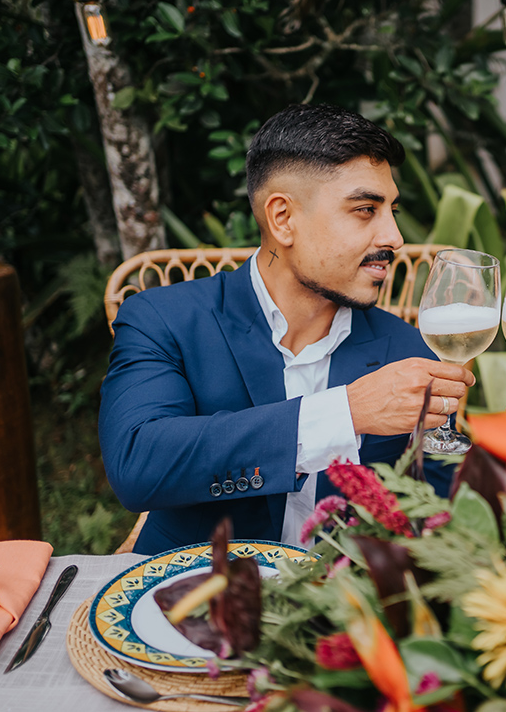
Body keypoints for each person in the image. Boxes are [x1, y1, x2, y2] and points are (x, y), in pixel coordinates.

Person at [100, 104, 474, 555]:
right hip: (189, 601)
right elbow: (139, 465)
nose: (394, 237)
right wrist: (346, 414)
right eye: (365, 210)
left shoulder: (410, 348)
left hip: (351, 611)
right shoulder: (164, 319)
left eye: (391, 210)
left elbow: (438, 513)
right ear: (283, 219)